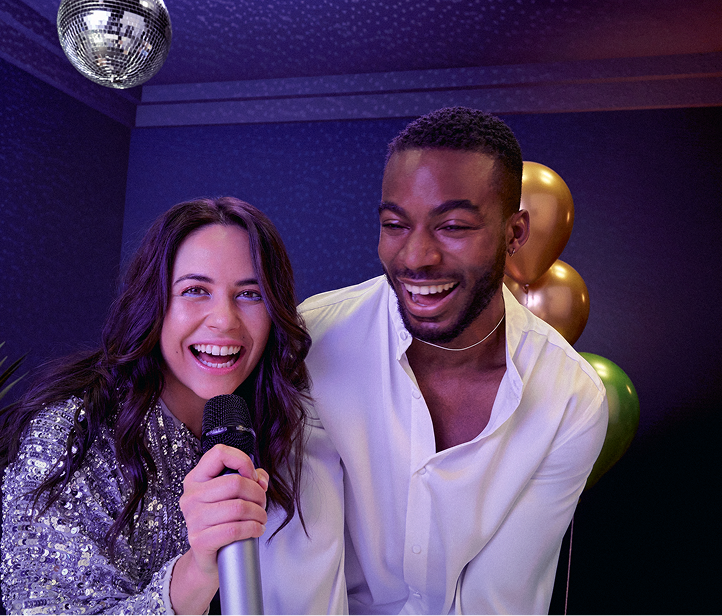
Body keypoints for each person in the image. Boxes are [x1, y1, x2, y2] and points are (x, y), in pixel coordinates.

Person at [261, 107, 609, 615]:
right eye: (395, 224)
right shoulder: (313, 342)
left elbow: (497, 600)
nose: (416, 256)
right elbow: (302, 579)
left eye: (453, 226)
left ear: (515, 234)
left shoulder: (570, 399)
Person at [0, 197, 311, 616]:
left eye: (250, 294)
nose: (225, 320)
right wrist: (198, 570)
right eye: (195, 291)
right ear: (153, 301)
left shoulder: (280, 422)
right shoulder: (70, 435)